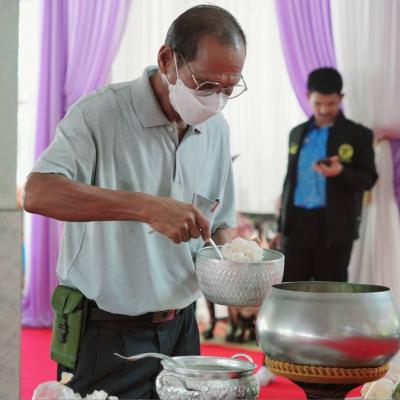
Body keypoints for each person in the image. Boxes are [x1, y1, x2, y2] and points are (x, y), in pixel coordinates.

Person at [23, 5, 247, 398]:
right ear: (167, 60)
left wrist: (242, 263)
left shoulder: (216, 129)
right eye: (206, 85)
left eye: (228, 89)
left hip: (183, 328)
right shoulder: (100, 114)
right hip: (105, 331)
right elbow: (39, 192)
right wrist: (145, 207)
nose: (215, 100)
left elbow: (220, 224)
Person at [271, 67, 377, 283]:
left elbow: (369, 179)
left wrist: (342, 171)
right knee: (291, 289)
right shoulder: (297, 133)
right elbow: (290, 179)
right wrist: (281, 227)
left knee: (330, 293)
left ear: (341, 98)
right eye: (318, 103)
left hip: (335, 228)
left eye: (331, 103)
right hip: (297, 226)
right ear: (308, 96)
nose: (324, 109)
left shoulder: (358, 135)